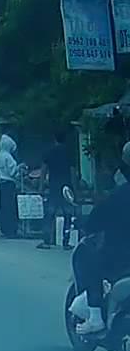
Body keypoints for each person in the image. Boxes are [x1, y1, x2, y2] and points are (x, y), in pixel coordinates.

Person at [73, 142, 130, 334]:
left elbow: (94, 222)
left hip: (121, 258)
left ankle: (95, 316)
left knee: (86, 257)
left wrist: (83, 223)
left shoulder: (119, 195)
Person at [39, 130, 75, 250]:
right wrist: (75, 189)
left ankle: (46, 241)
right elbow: (73, 171)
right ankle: (66, 242)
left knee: (49, 214)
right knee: (67, 214)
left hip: (54, 187)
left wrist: (41, 186)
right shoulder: (69, 152)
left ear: (54, 138)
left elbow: (44, 170)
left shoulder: (49, 151)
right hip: (66, 187)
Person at [0, 134, 23, 238]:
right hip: (9, 184)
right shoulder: (8, 157)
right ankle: (11, 230)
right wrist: (19, 167)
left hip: (0, 184)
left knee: (3, 207)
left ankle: (5, 228)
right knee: (10, 207)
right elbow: (12, 172)